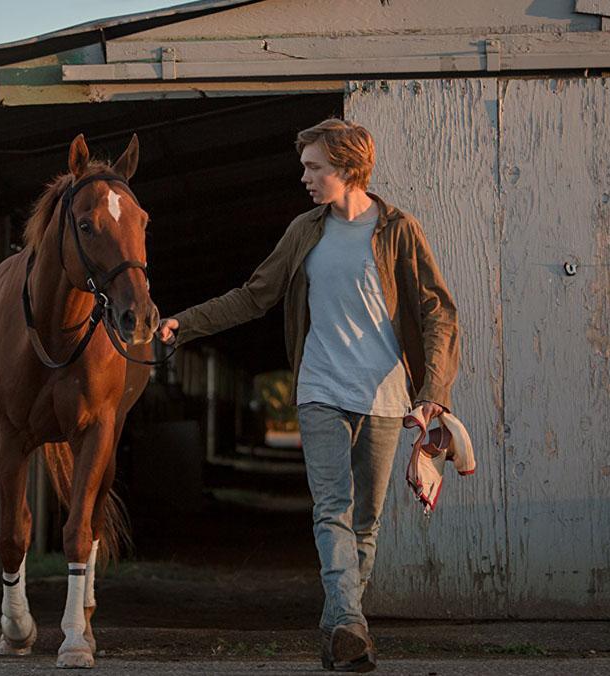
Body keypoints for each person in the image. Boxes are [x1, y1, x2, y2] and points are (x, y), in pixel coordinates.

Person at [157, 118, 460, 672]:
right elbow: (255, 296)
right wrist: (185, 323)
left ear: (347, 168)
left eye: (314, 167)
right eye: (305, 167)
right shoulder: (305, 231)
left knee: (366, 520)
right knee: (331, 510)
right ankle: (350, 624)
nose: (304, 177)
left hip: (386, 397)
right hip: (320, 388)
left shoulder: (397, 230)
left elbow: (437, 311)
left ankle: (340, 626)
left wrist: (434, 388)